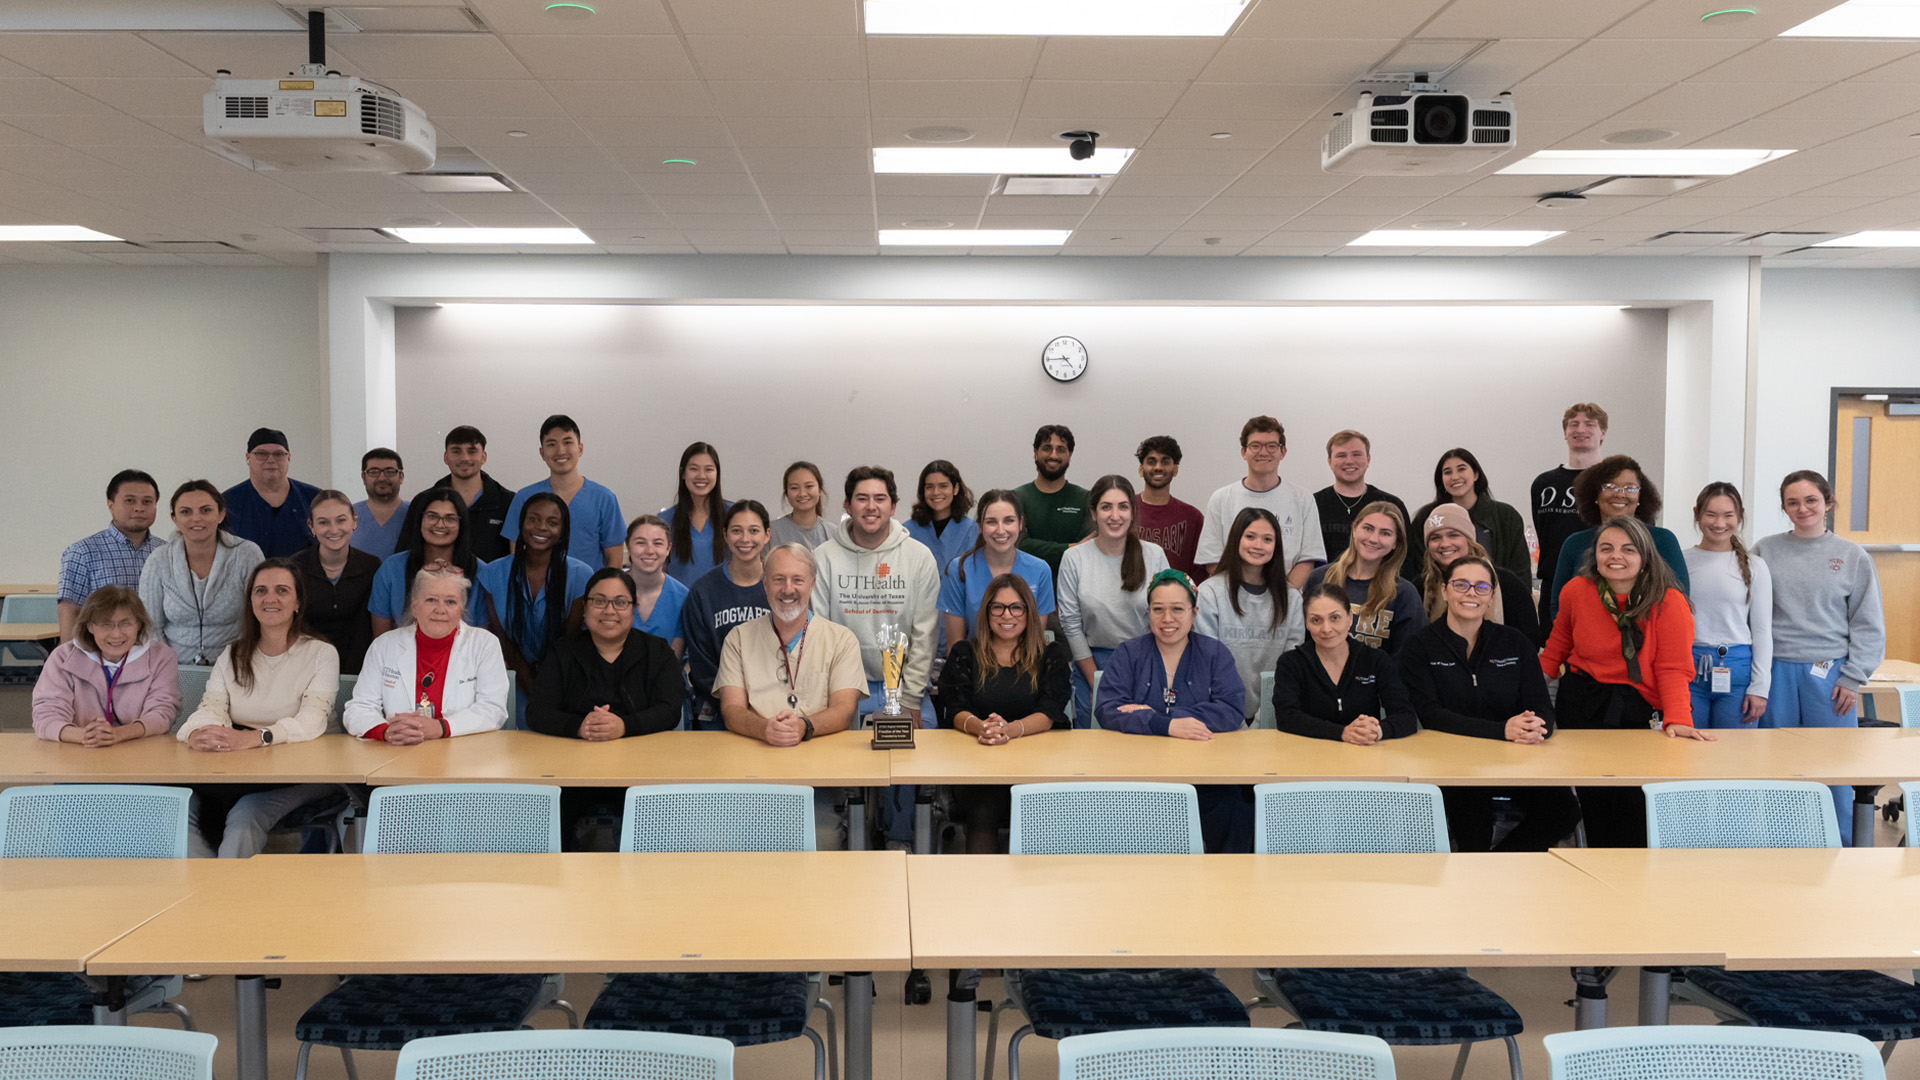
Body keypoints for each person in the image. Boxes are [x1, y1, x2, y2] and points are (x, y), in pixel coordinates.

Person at [1541, 515, 1710, 848]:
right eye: (1606, 548)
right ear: (1595, 555)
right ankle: (1599, 884)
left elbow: (1674, 668)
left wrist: (1678, 719)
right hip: (1582, 704)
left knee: (1633, 805)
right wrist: (1525, 701)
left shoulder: (1669, 601)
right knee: (1594, 802)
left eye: (1627, 549)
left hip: (1635, 711)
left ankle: (1633, 886)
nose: (1615, 556)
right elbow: (1555, 649)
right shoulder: (1576, 590)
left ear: (1645, 556)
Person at [1401, 556, 1583, 852]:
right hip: (1454, 764)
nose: (1471, 593)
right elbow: (1433, 715)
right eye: (1461, 585)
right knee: (1473, 826)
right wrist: (1502, 730)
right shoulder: (1420, 646)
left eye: (1481, 586)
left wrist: (1536, 729)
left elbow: (1541, 708)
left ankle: (1497, 866)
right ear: (1445, 592)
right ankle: (1478, 877)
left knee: (1564, 810)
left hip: (1515, 760)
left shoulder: (1513, 642)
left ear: (1491, 597)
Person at [176, 559, 341, 859]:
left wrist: (257, 738)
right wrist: (195, 732)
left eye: (281, 591)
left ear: (297, 602)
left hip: (309, 772)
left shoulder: (321, 654)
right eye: (261, 591)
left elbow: (312, 721)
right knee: (180, 806)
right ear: (250, 600)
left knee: (246, 814)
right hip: (241, 769)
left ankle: (230, 897)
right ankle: (201, 891)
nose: (270, 599)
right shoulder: (233, 653)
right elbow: (211, 707)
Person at [1754, 470, 1885, 845]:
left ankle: (1838, 844)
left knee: (1834, 767)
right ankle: (1779, 842)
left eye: (1811, 500)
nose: (1802, 508)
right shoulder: (1765, 550)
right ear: (1783, 508)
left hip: (1831, 676)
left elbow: (1868, 621)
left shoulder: (1851, 556)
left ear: (1828, 502)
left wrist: (1854, 676)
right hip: (1776, 671)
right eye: (1792, 502)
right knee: (1777, 764)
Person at [716, 543, 868, 849]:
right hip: (752, 774)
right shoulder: (738, 638)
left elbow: (843, 711)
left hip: (820, 776)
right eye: (778, 579)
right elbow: (731, 710)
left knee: (819, 841)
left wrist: (804, 726)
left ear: (812, 583)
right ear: (764, 583)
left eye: (798, 580)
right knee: (733, 845)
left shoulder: (841, 640)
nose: (788, 589)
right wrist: (765, 729)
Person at [527, 568, 684, 850]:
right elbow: (537, 711)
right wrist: (578, 726)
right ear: (585, 608)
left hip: (644, 774)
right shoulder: (563, 652)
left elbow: (671, 709)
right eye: (599, 601)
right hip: (571, 776)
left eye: (620, 602)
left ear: (633, 609)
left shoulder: (657, 651)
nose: (609, 610)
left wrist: (626, 726)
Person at [1095, 569, 1250, 853]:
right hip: (1138, 776)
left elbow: (1231, 708)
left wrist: (1161, 716)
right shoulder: (1129, 653)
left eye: (1178, 609)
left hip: (1206, 775)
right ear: (1148, 612)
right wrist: (1164, 725)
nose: (1168, 619)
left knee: (1236, 813)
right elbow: (1107, 708)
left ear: (1194, 612)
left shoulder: (1215, 653)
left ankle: (1229, 890)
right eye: (1158, 610)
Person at [937, 575, 1071, 853]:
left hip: (1040, 768)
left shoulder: (1050, 655)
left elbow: (1049, 712)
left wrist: (1009, 730)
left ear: (1028, 612)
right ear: (986, 613)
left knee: (1041, 814)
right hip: (979, 769)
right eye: (997, 607)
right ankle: (984, 894)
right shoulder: (965, 652)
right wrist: (982, 728)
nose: (1006, 615)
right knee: (983, 810)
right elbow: (956, 707)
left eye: (1016, 607)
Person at [345, 566, 510, 742]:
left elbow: (493, 710)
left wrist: (442, 727)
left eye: (450, 602)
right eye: (431, 600)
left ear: (461, 607)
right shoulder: (384, 646)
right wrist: (387, 732)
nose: (440, 609)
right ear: (414, 606)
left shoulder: (485, 644)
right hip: (399, 752)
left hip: (463, 755)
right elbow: (359, 708)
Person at [1058, 475, 1170, 725]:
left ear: (1132, 512)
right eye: (1106, 507)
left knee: (1144, 744)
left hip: (1147, 665)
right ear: (1093, 513)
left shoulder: (1154, 555)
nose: (1115, 515)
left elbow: (1166, 617)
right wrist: (1096, 679)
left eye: (1123, 506)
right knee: (1094, 750)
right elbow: (1071, 624)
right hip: (1091, 665)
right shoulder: (1074, 558)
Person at [474, 493, 594, 723]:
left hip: (563, 680)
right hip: (510, 679)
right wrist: (532, 687)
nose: (541, 527)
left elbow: (570, 640)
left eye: (552, 522)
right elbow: (500, 638)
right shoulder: (492, 573)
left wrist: (548, 688)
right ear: (521, 524)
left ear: (563, 531)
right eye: (534, 519)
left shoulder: (581, 574)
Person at [1541, 454, 1691, 629]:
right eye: (1610, 487)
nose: (1620, 494)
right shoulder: (1574, 543)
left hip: (1648, 649)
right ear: (1595, 495)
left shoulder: (1664, 540)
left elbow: (1681, 600)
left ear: (1640, 497)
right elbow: (1558, 606)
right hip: (1584, 649)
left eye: (1630, 488)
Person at [1271, 583, 1418, 745]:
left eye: (1335, 618)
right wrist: (1342, 733)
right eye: (1316, 620)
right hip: (1308, 756)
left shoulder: (1376, 660)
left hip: (1364, 756)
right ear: (1306, 623)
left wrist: (1377, 731)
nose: (1326, 629)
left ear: (1350, 618)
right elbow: (1286, 717)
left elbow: (1406, 716)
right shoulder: (1291, 662)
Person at [32, 586, 178, 746]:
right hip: (78, 752)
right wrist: (85, 736)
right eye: (105, 624)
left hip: (140, 752)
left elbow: (163, 714)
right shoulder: (62, 658)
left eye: (125, 623)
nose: (116, 634)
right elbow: (46, 716)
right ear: (90, 626)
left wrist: (118, 734)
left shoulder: (161, 657)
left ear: (139, 624)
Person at [139, 480, 265, 666]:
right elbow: (150, 626)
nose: (196, 518)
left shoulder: (247, 554)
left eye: (206, 510)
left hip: (237, 666)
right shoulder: (159, 560)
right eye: (185, 512)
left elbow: (261, 617)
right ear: (174, 518)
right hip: (172, 669)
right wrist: (165, 668)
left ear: (221, 514)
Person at [1196, 507, 1302, 722]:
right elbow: (1207, 661)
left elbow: (1292, 664)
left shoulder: (1292, 598)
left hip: (1274, 713)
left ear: (1276, 546)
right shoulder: (1210, 592)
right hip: (1221, 710)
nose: (1258, 545)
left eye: (1267, 539)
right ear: (1236, 539)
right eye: (1250, 536)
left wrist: (1268, 716)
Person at [1195, 416, 1324, 588]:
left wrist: (1282, 598)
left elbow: (1308, 559)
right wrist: (1244, 596)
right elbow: (1212, 559)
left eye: (1271, 446)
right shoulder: (1221, 498)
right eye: (1255, 446)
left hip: (1285, 601)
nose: (1263, 452)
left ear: (1283, 452)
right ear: (1243, 452)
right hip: (1233, 600)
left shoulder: (1303, 498)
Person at [1685, 483, 1772, 730]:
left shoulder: (1755, 566)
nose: (1719, 523)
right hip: (1689, 667)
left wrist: (1760, 687)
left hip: (1737, 669)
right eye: (1711, 514)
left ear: (1740, 517)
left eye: (1728, 515)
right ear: (1697, 515)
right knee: (1687, 751)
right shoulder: (1679, 560)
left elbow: (1763, 630)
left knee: (1735, 756)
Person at [681, 501, 775, 729]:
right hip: (718, 710)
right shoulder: (703, 592)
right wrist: (737, 703)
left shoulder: (782, 587)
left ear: (767, 535)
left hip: (774, 708)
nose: (745, 539)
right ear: (724, 534)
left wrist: (767, 702)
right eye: (736, 530)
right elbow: (701, 665)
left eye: (754, 531)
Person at [1302, 502, 1426, 654]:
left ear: (1396, 543)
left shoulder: (1404, 594)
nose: (1374, 539)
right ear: (1354, 529)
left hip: (1379, 677)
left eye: (1385, 533)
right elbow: (1305, 644)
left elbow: (1405, 659)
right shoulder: (1319, 579)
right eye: (1368, 528)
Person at [502, 415, 625, 568]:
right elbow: (516, 557)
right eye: (551, 444)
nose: (560, 451)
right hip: (538, 591)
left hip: (589, 591)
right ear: (542, 453)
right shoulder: (524, 498)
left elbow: (615, 560)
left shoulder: (604, 498)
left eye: (567, 442)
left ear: (580, 449)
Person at [57, 469, 164, 642]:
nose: (139, 508)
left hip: (156, 654)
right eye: (130, 501)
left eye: (147, 501)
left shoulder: (167, 551)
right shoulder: (83, 552)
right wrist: (71, 661)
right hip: (103, 654)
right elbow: (70, 610)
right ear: (110, 504)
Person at [938, 489, 1056, 646]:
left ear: (1020, 524)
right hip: (971, 667)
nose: (1001, 530)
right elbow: (955, 645)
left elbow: (1036, 641)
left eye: (1009, 521)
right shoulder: (959, 570)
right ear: (980, 526)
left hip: (1024, 667)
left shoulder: (1040, 570)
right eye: (991, 522)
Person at [1411, 503, 1541, 645]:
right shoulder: (1420, 587)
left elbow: (1529, 641)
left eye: (1453, 535)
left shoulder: (1506, 584)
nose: (1444, 544)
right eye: (1435, 538)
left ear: (1470, 540)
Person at [904, 460, 979, 696]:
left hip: (957, 625)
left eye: (943, 486)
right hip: (916, 623)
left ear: (956, 488)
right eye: (929, 487)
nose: (936, 493)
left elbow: (972, 582)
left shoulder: (971, 530)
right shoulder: (907, 531)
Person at [1409, 448, 1530, 585]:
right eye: (1447, 472)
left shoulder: (1505, 515)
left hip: (1498, 598)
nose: (1455, 477)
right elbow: (1417, 570)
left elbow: (1521, 571)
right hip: (1437, 598)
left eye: (1461, 469)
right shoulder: (1427, 517)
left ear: (1476, 474)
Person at [368, 487, 479, 636]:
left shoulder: (480, 571)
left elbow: (481, 637)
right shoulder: (391, 569)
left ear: (462, 524)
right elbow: (381, 639)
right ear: (420, 520)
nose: (440, 524)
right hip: (401, 656)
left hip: (464, 657)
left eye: (450, 518)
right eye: (432, 516)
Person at [1532, 403, 1608, 617]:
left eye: (1589, 424)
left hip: (1600, 583)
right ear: (1565, 433)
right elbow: (1544, 532)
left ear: (1602, 432)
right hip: (1552, 584)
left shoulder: (1613, 482)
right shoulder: (1543, 483)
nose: (1580, 430)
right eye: (1573, 424)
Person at [293, 489, 380, 675]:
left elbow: (366, 631)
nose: (333, 529)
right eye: (323, 522)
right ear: (311, 526)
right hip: (304, 671)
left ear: (354, 521)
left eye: (341, 520)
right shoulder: (294, 568)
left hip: (361, 673)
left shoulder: (371, 567)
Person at [222, 427, 320, 559]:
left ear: (289, 457)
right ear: (248, 457)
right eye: (261, 454)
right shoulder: (227, 502)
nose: (271, 460)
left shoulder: (315, 498)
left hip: (303, 578)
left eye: (279, 454)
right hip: (245, 579)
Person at [1314, 430, 1408, 563]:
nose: (1349, 461)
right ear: (1330, 462)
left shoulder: (1391, 504)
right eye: (1341, 455)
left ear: (1368, 459)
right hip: (1324, 582)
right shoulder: (1312, 504)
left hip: (1381, 582)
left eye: (1356, 454)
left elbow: (1405, 556)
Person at [1013, 424, 1090, 574]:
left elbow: (1087, 550)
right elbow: (1019, 545)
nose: (1053, 455)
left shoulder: (1085, 498)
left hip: (1073, 586)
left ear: (1070, 454)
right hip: (1026, 587)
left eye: (1061, 449)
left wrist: (1036, 547)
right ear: (1035, 452)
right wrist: (1070, 548)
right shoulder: (1017, 497)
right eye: (1047, 448)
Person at [431, 425, 513, 562]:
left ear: (483, 457)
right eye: (456, 451)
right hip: (437, 581)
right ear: (446, 457)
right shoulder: (424, 502)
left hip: (490, 583)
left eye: (472, 451)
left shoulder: (508, 502)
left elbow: (515, 559)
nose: (464, 458)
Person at [1132, 435, 1205, 577]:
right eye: (1151, 462)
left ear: (1175, 470)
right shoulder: (1124, 510)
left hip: (1176, 598)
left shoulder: (1192, 518)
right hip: (1128, 596)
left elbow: (1199, 573)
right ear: (1141, 469)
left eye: (1165, 462)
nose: (1158, 467)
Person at [661, 441, 730, 587]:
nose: (701, 476)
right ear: (683, 474)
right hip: (681, 605)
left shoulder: (733, 515)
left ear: (717, 474)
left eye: (709, 469)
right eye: (694, 469)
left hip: (724, 605)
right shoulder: (665, 520)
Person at [624, 514, 688, 658]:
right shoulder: (609, 590)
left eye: (658, 543)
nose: (649, 550)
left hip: (666, 677)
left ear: (668, 548)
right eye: (641, 543)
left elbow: (674, 661)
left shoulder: (682, 597)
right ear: (628, 545)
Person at [349, 448, 409, 558]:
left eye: (390, 472)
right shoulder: (348, 515)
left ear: (401, 476)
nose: (382, 478)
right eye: (374, 472)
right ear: (363, 477)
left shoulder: (414, 513)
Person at [769, 461, 840, 550]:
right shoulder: (772, 532)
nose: (802, 494)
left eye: (809, 486)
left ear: (820, 490)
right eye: (794, 488)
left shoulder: (834, 534)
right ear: (786, 493)